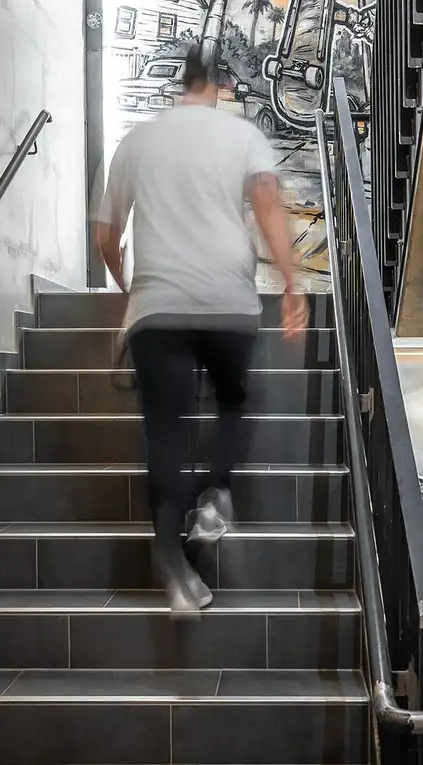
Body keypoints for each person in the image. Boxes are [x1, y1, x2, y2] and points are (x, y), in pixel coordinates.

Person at [94, 44, 307, 617]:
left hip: (157, 305)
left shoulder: (138, 141)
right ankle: (216, 493)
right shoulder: (241, 137)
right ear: (219, 87)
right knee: (235, 401)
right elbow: (266, 204)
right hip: (226, 300)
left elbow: (105, 238)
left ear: (179, 84)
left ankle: (173, 565)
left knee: (164, 430)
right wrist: (290, 283)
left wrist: (127, 287)